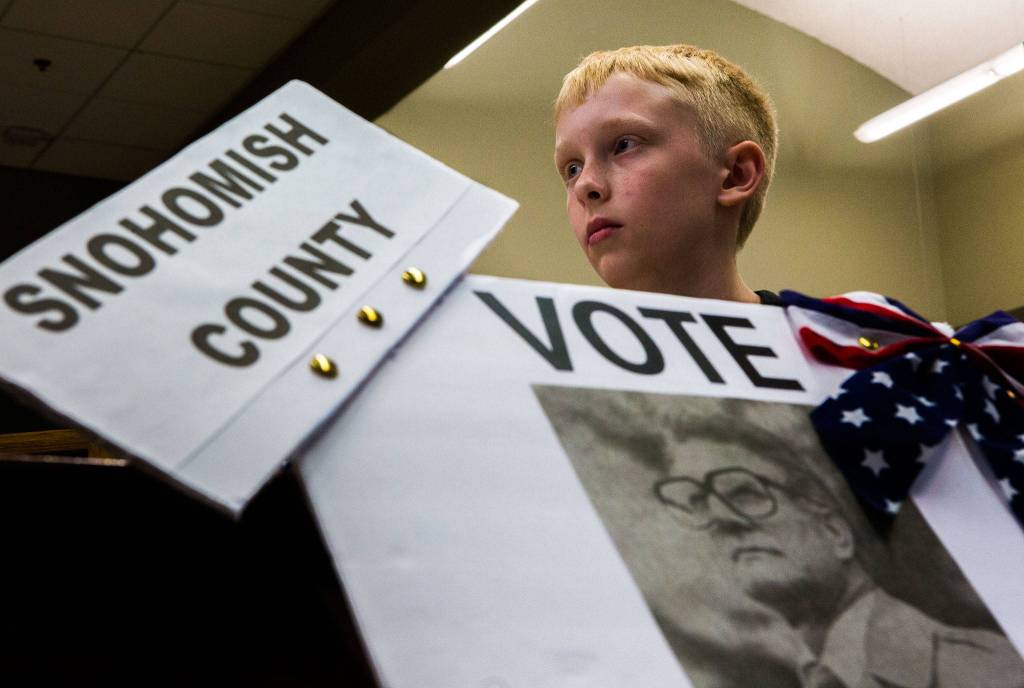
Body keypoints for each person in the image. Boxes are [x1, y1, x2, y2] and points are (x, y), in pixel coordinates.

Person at [653, 430, 1024, 688]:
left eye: (745, 492)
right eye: (697, 503)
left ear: (835, 531)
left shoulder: (976, 666)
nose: (721, 518)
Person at [553, 44, 781, 305]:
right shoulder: (556, 345)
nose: (584, 185)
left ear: (735, 175)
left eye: (624, 145)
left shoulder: (825, 341)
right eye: (573, 169)